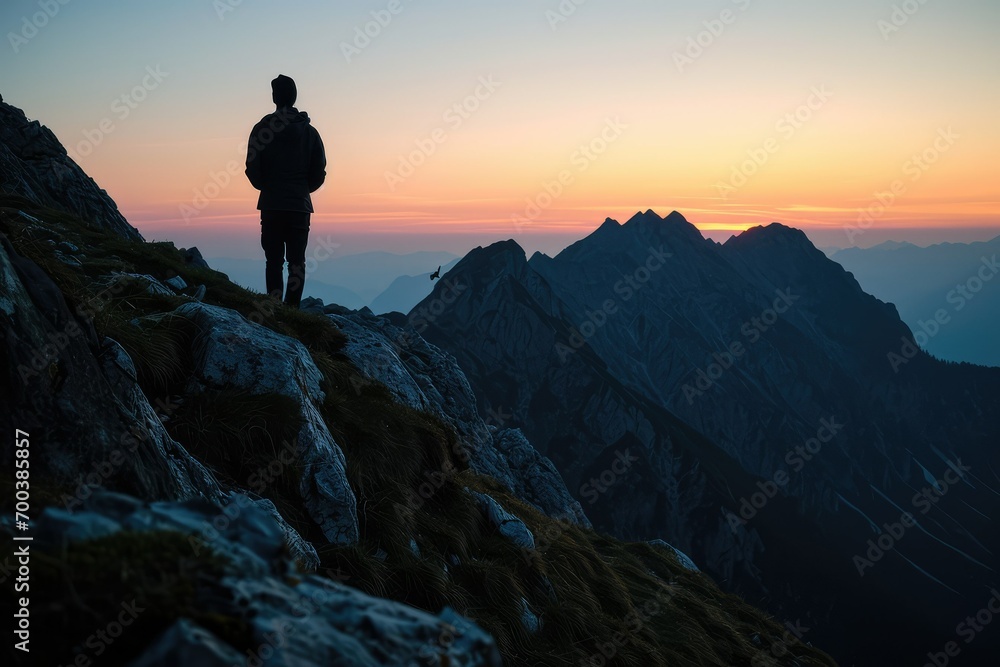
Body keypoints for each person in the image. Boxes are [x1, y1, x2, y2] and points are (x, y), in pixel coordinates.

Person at [245, 74, 326, 307]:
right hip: (299, 206)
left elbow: (252, 167)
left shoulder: (262, 129)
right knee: (297, 262)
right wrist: (301, 190)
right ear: (294, 97)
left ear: (274, 97)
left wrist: (269, 187)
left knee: (273, 261)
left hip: (271, 204)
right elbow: (319, 172)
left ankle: (274, 307)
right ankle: (292, 310)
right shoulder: (310, 133)